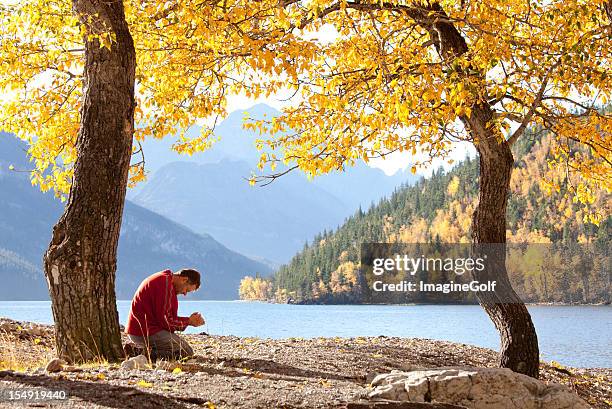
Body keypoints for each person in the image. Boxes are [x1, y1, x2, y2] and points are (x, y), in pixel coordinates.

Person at [124, 268, 205, 360]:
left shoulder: (164, 280)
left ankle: (141, 351)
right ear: (184, 279)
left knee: (181, 350)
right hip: (145, 332)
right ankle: (137, 352)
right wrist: (189, 321)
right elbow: (166, 321)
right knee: (186, 352)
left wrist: (188, 321)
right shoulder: (165, 285)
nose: (185, 293)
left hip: (141, 330)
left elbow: (165, 318)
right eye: (187, 289)